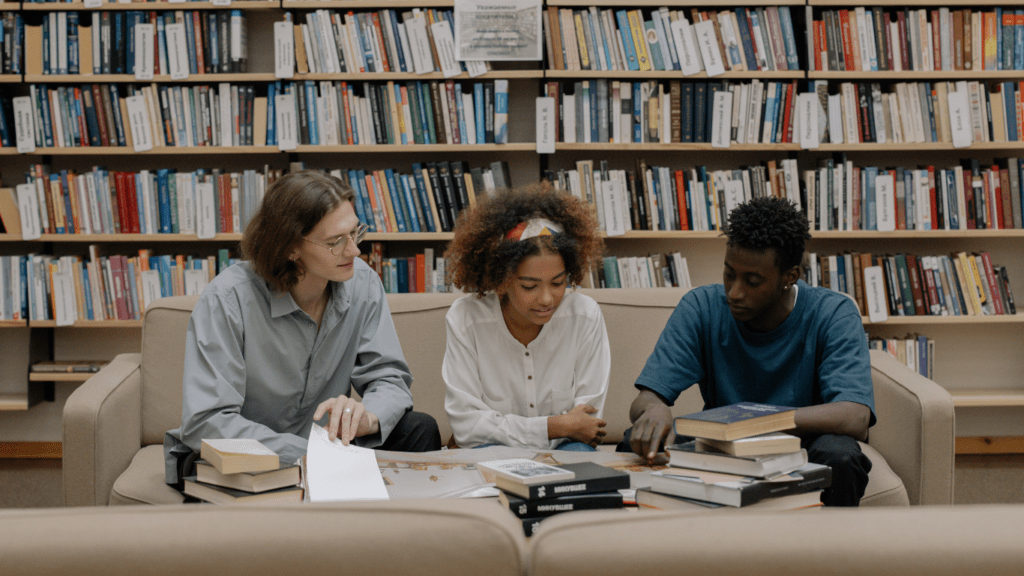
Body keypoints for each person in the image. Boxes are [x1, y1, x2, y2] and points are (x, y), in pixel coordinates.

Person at [164, 170, 441, 489]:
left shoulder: (362, 283)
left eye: (355, 233)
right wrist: (315, 455)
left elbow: (389, 378)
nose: (354, 251)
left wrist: (368, 417)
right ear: (290, 247)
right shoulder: (227, 300)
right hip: (251, 455)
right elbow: (207, 422)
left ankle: (394, 532)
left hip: (328, 447)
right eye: (336, 242)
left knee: (420, 428)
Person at [620, 196, 875, 506]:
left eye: (752, 281)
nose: (735, 292)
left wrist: (754, 421)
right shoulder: (702, 307)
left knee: (840, 455)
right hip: (723, 445)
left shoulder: (833, 313)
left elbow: (854, 416)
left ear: (789, 277)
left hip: (802, 445)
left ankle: (829, 554)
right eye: (729, 274)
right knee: (634, 441)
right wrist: (654, 409)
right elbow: (646, 398)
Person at [442, 186, 610, 451]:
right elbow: (468, 428)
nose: (547, 299)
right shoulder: (466, 319)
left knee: (580, 456)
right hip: (494, 452)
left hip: (567, 448)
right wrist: (556, 426)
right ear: (501, 281)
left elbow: (586, 425)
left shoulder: (585, 315)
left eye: (558, 283)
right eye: (530, 286)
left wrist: (563, 428)